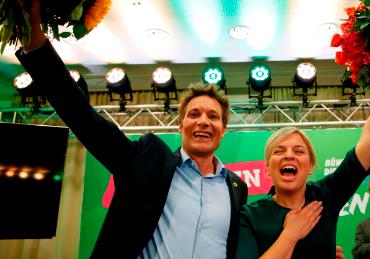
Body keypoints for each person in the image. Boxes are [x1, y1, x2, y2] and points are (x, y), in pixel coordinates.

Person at [14, 1, 247, 258]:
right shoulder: (147, 160)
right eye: (194, 114)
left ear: (223, 129)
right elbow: (84, 118)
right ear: (181, 125)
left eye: (213, 116)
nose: (203, 121)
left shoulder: (236, 188)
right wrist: (36, 45)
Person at [235, 46, 370, 259]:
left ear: (310, 166)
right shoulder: (249, 215)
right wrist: (290, 235)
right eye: (279, 151)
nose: (289, 155)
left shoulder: (326, 195)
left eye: (299, 151)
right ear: (267, 169)